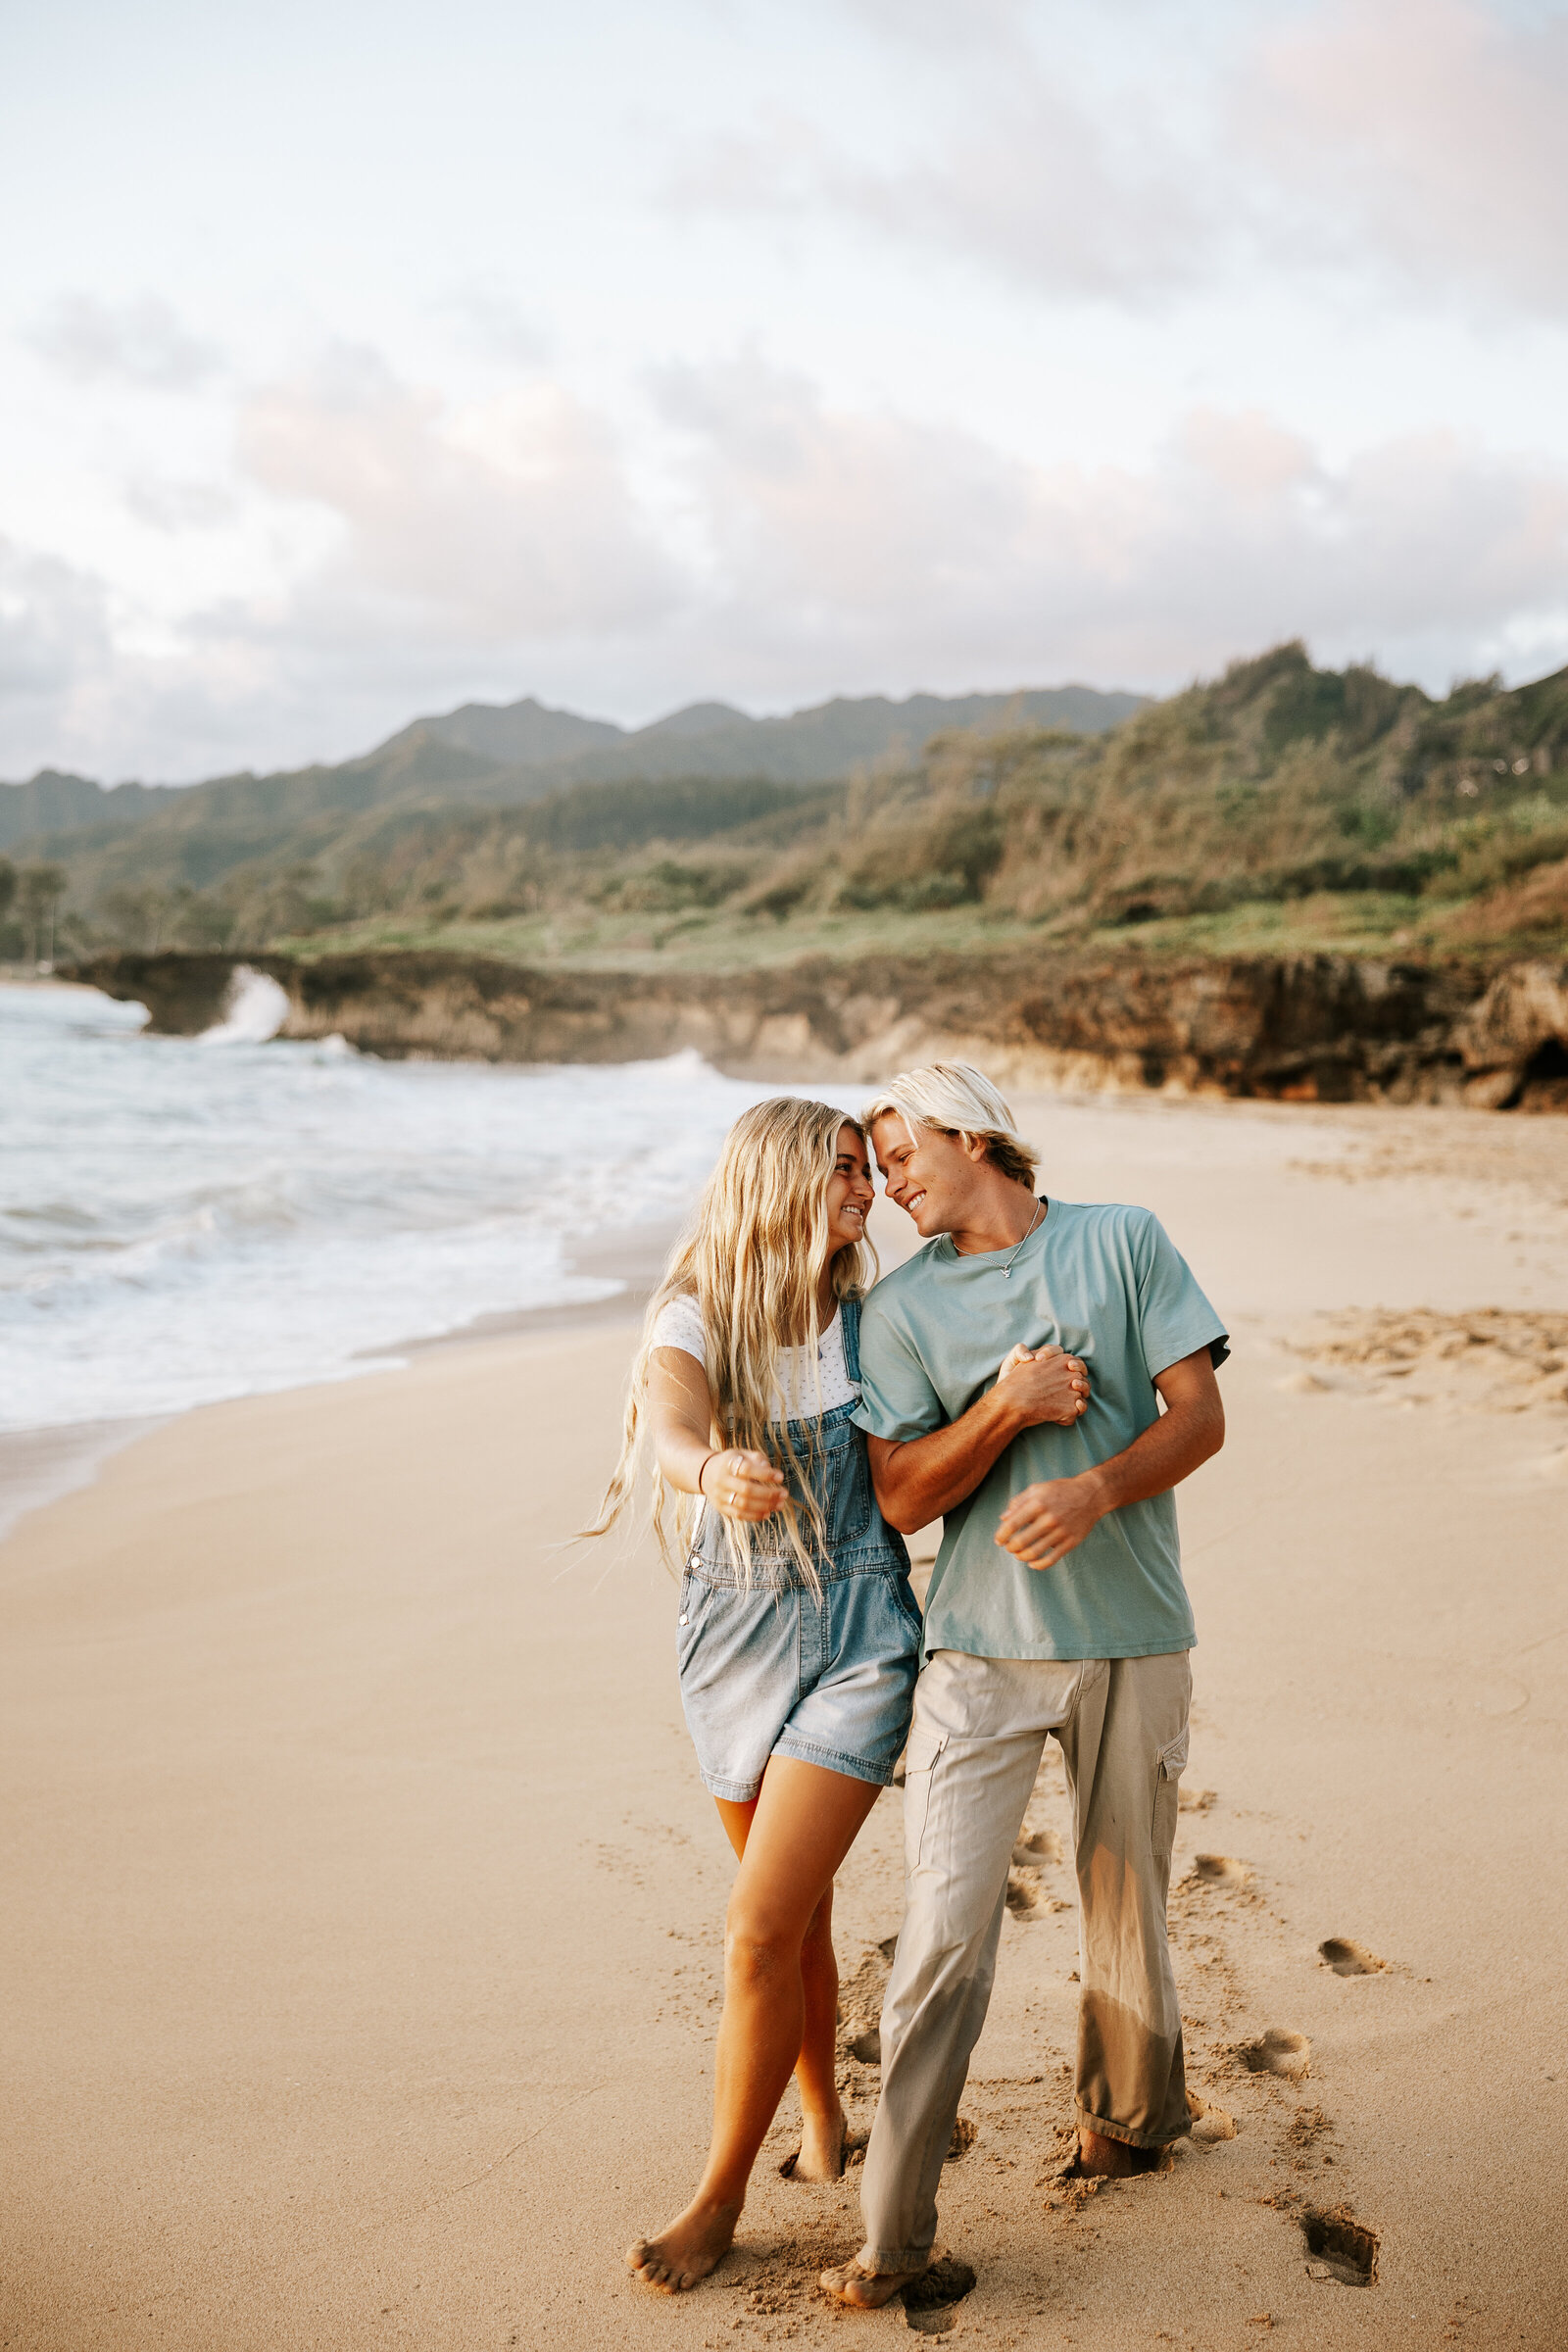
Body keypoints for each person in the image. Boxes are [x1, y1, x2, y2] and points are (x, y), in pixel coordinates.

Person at [586, 1099, 1087, 2295]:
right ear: (774, 1181)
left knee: (755, 1925)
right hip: (732, 1640)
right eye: (843, 1174)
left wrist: (1021, 1395)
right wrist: (710, 1466)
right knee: (793, 1913)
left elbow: (916, 1468)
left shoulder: (871, 1323)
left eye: (868, 1171)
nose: (865, 1192)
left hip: (862, 1638)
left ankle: (716, 2198)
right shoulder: (698, 1312)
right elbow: (670, 1423)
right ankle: (820, 2126)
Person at [819, 1062, 1228, 2311]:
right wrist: (1003, 1412)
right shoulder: (894, 1312)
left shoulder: (1123, 1242)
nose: (888, 1179)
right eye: (877, 1163)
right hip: (977, 1657)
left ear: (973, 1131)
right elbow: (898, 1497)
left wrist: (1097, 1486)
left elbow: (1199, 1418)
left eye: (901, 1150)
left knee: (1125, 1904)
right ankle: (890, 2235)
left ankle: (1131, 2120)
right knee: (945, 1933)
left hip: (1131, 1634)